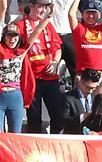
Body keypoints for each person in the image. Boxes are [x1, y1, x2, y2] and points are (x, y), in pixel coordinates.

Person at [18, 0, 64, 134]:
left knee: (57, 115)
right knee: (34, 117)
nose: (43, 11)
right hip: (32, 78)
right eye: (40, 7)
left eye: (46, 7)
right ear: (31, 6)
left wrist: (55, 62)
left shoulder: (49, 26)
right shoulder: (20, 26)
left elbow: (58, 48)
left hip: (51, 78)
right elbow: (26, 44)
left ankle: (56, 145)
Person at [60, 67, 101, 133]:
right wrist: (82, 116)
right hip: (74, 136)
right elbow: (63, 121)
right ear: (80, 82)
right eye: (88, 87)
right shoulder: (67, 98)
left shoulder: (96, 97)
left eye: (93, 88)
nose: (90, 91)